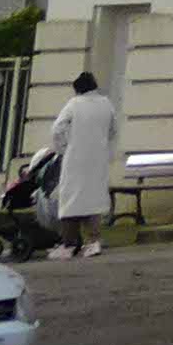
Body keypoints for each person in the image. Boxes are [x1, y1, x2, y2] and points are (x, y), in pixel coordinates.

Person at [40, 70, 120, 259]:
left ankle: (69, 244)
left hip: (75, 158)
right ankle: (93, 241)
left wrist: (63, 148)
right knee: (93, 199)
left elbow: (57, 128)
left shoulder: (74, 104)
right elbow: (113, 130)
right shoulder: (106, 104)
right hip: (98, 159)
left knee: (70, 199)